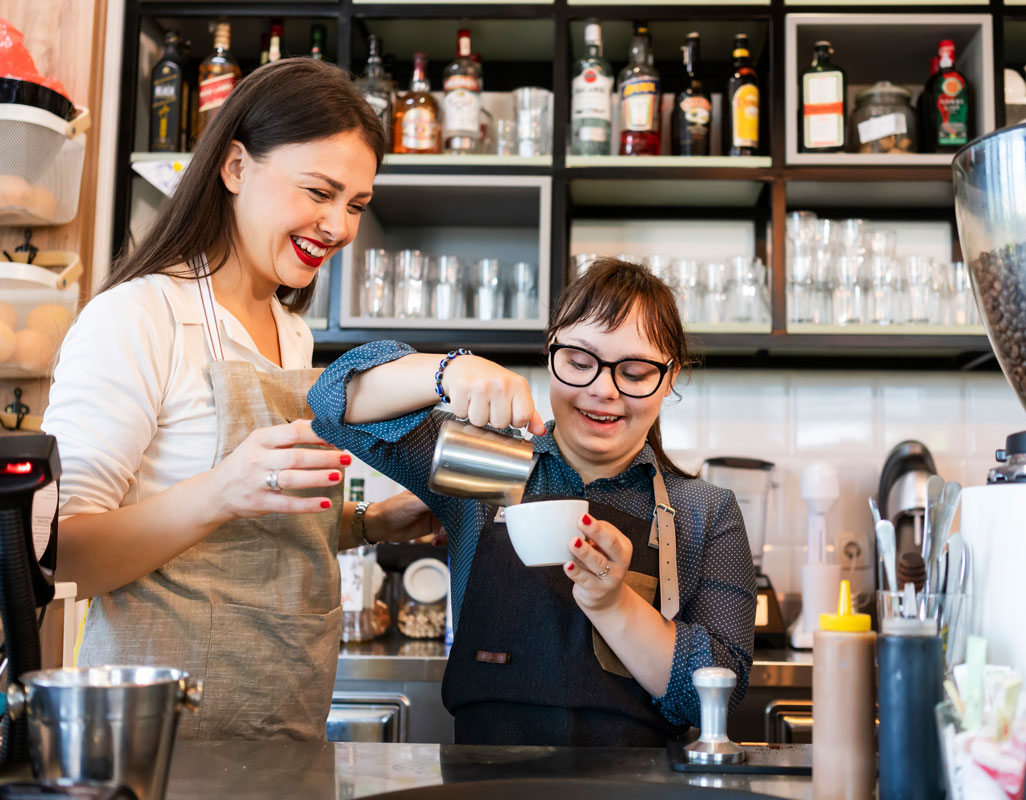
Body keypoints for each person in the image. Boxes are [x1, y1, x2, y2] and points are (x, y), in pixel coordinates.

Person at [41, 59, 439, 741]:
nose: (339, 226)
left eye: (355, 205)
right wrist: (223, 488)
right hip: (156, 736)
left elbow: (257, 529)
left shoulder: (292, 333)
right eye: (318, 190)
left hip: (280, 718)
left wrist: (371, 522)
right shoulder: (139, 317)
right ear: (234, 167)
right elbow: (59, 551)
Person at [308, 258, 756, 747]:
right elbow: (330, 404)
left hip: (637, 787)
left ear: (669, 379)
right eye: (580, 362)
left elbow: (718, 694)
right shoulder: (482, 462)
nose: (602, 390)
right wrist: (448, 371)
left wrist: (614, 604)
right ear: (550, 355)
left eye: (635, 371)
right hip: (482, 781)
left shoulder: (703, 511)